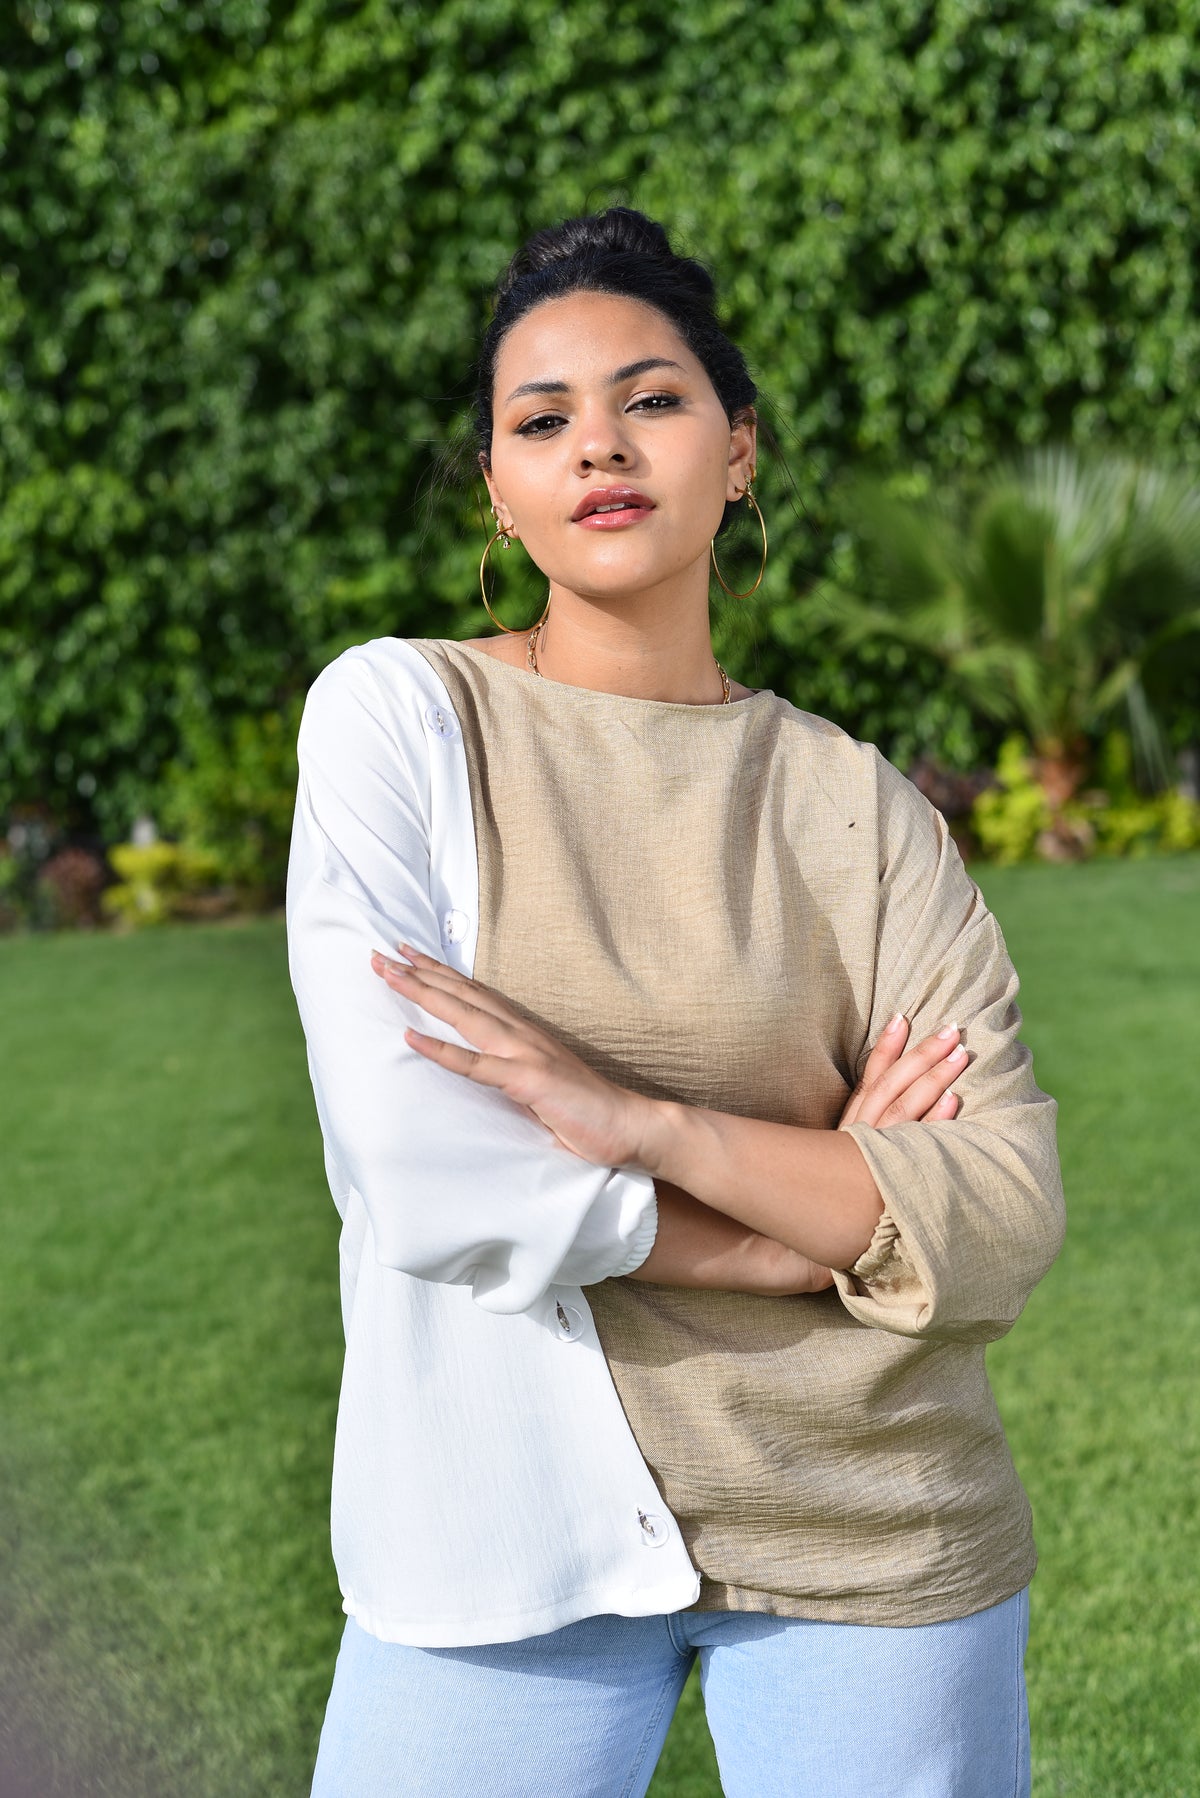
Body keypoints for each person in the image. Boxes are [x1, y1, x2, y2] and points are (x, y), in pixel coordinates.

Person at [286, 207, 1065, 1798]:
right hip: (498, 1527)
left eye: (652, 399)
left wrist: (645, 1124)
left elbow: (993, 1204)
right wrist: (800, 1225)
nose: (601, 447)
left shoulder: (861, 809)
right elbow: (414, 1159)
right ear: (499, 488)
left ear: (738, 452)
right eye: (543, 419)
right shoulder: (403, 720)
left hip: (876, 1514)